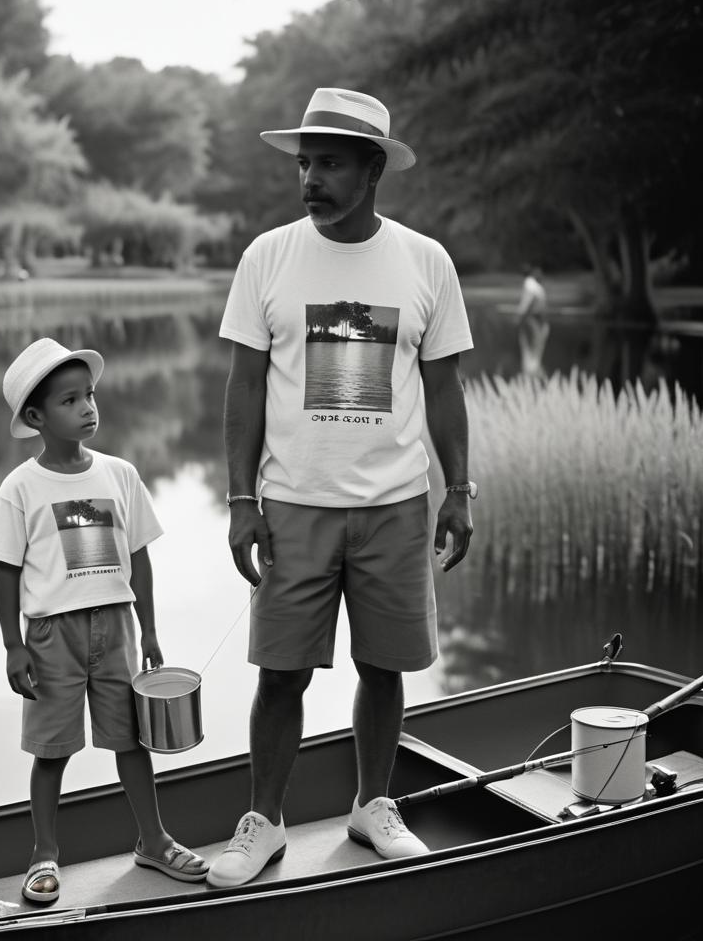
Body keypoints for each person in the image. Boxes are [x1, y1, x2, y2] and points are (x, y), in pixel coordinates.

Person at [208, 88, 475, 888]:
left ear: (372, 170)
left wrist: (458, 488)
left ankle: (372, 805)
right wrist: (240, 501)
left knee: (385, 667)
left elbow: (446, 387)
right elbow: (244, 387)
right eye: (304, 163)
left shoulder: (425, 261)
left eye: (328, 163)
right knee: (280, 674)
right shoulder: (269, 256)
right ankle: (265, 821)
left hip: (395, 505)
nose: (309, 179)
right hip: (292, 504)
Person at [0, 337, 208, 904]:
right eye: (69, 401)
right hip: (51, 635)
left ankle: (153, 841)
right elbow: (6, 573)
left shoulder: (120, 474)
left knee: (131, 740)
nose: (88, 408)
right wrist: (13, 646)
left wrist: (150, 629)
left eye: (90, 395)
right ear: (35, 417)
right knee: (51, 751)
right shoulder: (20, 488)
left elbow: (139, 559)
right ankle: (43, 854)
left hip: (116, 628)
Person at [516, 265, 550, 377]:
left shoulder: (529, 284)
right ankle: (535, 373)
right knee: (536, 348)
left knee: (530, 348)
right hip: (539, 320)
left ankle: (532, 373)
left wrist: (520, 317)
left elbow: (527, 302)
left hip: (534, 319)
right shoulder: (534, 284)